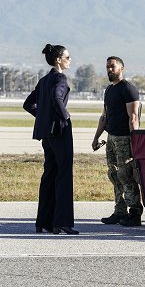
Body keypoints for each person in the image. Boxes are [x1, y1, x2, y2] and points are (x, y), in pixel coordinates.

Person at [23, 44, 78, 235]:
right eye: (68, 57)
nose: (70, 60)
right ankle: (62, 222)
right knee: (63, 175)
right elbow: (57, 98)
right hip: (60, 131)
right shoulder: (60, 78)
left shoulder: (44, 80)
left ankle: (43, 222)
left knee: (49, 175)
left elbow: (27, 104)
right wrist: (65, 117)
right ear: (58, 60)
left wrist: (43, 117)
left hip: (46, 133)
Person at [92, 56, 143, 227]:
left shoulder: (128, 89)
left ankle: (135, 212)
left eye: (112, 66)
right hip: (111, 138)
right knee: (114, 175)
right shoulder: (109, 90)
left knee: (126, 175)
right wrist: (96, 136)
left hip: (124, 138)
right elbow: (105, 116)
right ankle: (119, 211)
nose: (109, 69)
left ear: (122, 68)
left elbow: (133, 117)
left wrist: (135, 141)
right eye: (107, 66)